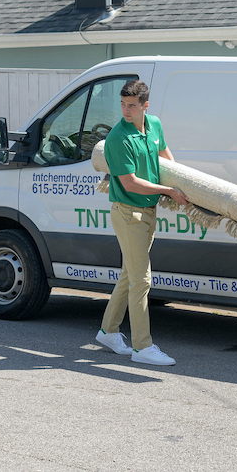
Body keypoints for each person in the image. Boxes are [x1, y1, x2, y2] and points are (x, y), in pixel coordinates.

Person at [94, 80, 188, 366]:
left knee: (130, 275)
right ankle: (142, 347)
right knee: (141, 280)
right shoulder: (118, 138)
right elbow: (130, 183)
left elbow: (166, 159)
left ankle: (108, 332)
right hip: (128, 213)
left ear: (145, 106)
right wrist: (168, 191)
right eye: (123, 104)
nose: (126, 110)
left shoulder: (154, 125)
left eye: (132, 105)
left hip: (148, 212)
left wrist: (183, 184)